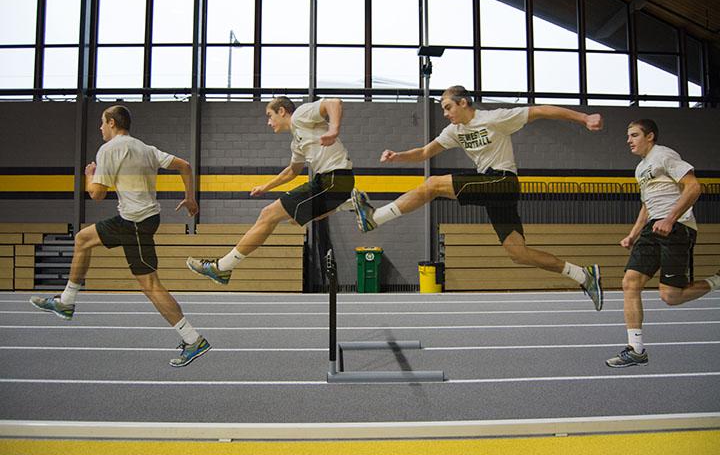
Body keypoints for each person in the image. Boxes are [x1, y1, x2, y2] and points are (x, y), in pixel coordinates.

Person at [351, 85, 605, 309]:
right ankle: (583, 275)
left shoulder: (495, 118)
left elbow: (540, 111)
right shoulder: (454, 130)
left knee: (433, 185)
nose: (445, 113)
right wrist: (398, 156)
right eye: (443, 109)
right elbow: (426, 151)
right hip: (492, 188)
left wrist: (584, 117)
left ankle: (375, 218)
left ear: (464, 103)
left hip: (502, 181)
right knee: (518, 253)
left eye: (448, 107)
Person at [29, 105, 209, 368]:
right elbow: (185, 166)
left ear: (112, 122)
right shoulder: (146, 148)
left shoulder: (109, 150)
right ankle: (66, 302)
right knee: (83, 239)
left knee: (150, 286)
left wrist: (89, 176)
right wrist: (190, 198)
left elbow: (97, 194)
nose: (100, 128)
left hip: (135, 224)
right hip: (135, 219)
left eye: (102, 123)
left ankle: (193, 340)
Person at [186, 96, 354, 284]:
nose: (268, 122)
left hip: (333, 179)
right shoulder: (297, 142)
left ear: (282, 111)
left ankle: (222, 268)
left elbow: (334, 102)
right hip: (329, 181)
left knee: (268, 214)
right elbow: (291, 171)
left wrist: (334, 129)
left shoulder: (300, 115)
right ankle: (350, 204)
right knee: (291, 218)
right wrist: (265, 187)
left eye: (269, 115)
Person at [606, 119, 720, 368]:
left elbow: (694, 187)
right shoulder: (640, 169)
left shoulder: (664, 155)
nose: (629, 140)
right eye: (628, 136)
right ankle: (636, 349)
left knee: (671, 296)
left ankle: (717, 280)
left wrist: (670, 218)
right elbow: (647, 206)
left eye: (634, 135)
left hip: (677, 228)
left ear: (650, 136)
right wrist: (633, 234)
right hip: (651, 229)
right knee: (630, 282)